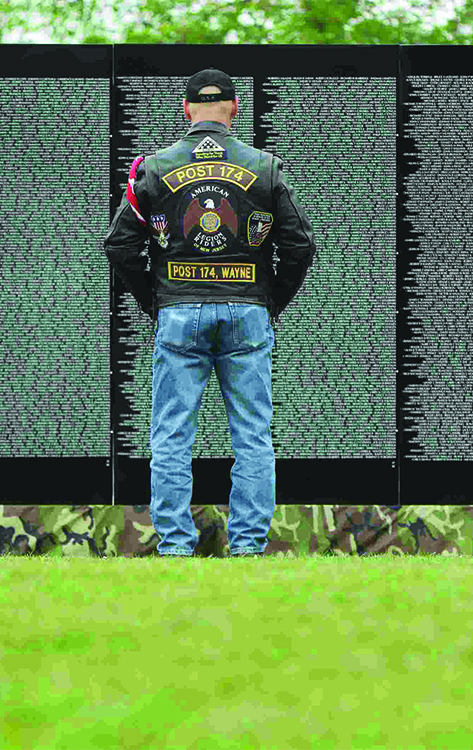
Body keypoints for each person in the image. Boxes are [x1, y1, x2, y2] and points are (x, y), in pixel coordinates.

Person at [103, 68, 316, 558]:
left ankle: (176, 548)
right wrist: (270, 301)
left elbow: (119, 244)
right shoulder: (265, 167)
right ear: (235, 108)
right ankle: (248, 548)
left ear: (186, 109)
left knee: (172, 435)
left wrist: (156, 300)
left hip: (178, 310)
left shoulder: (153, 168)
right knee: (253, 436)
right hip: (248, 311)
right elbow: (300, 245)